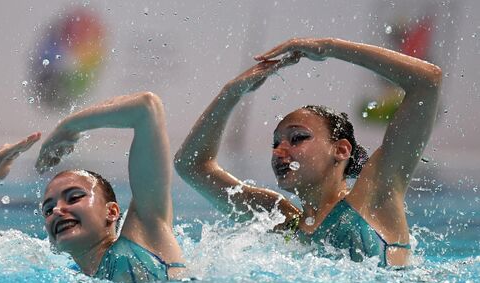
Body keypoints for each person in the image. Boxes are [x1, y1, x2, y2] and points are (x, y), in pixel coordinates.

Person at [174, 38, 442, 267]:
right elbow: (190, 165)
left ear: (340, 150)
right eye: (275, 143)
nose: (280, 151)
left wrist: (328, 48)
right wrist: (231, 93)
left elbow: (427, 81)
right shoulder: (281, 219)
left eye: (297, 138)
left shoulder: (374, 195)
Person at [0, 92, 186, 283]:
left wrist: (71, 126)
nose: (57, 211)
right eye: (48, 209)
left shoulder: (147, 233)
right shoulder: (64, 276)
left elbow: (147, 108)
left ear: (112, 212)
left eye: (74, 198)